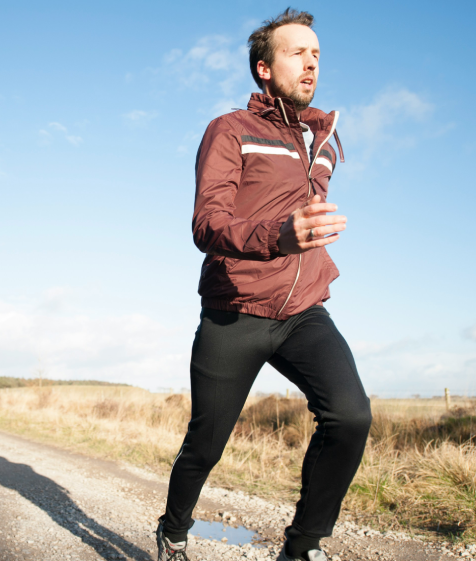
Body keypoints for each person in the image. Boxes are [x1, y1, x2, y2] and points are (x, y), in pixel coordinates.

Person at [157, 8, 372, 561]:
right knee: (206, 444)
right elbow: (207, 223)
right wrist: (281, 234)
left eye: (317, 54)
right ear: (263, 67)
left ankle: (301, 549)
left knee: (350, 416)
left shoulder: (323, 139)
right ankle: (174, 531)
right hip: (236, 308)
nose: (311, 63)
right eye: (297, 52)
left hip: (303, 309)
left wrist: (305, 238)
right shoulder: (231, 130)